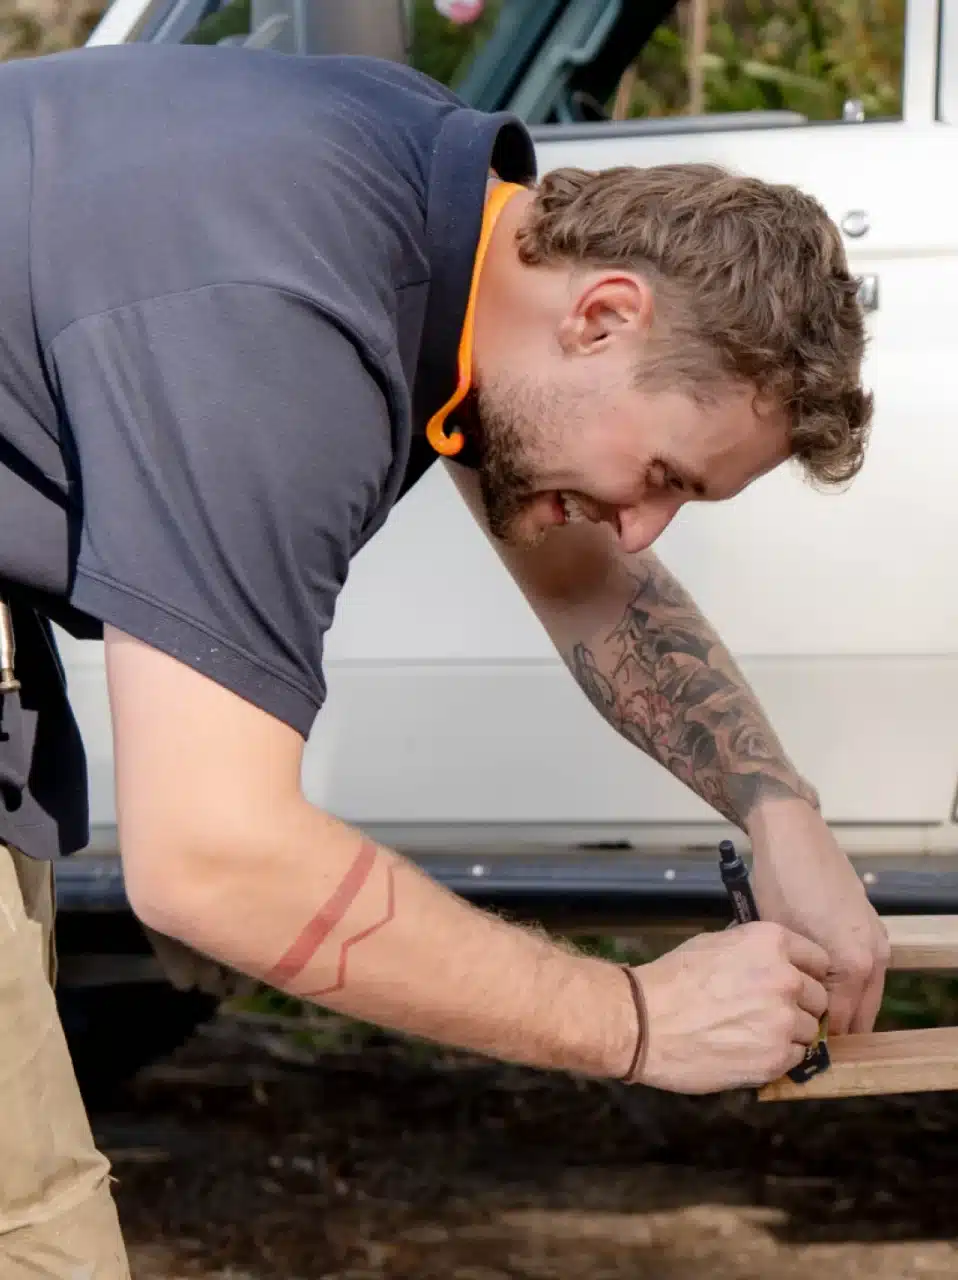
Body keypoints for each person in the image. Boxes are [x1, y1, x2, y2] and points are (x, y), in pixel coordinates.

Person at [0, 39, 888, 1278]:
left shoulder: (443, 221)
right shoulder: (284, 319)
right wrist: (634, 1017)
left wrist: (779, 812)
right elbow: (211, 860)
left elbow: (590, 581)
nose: (640, 529)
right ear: (604, 312)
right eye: (663, 478)